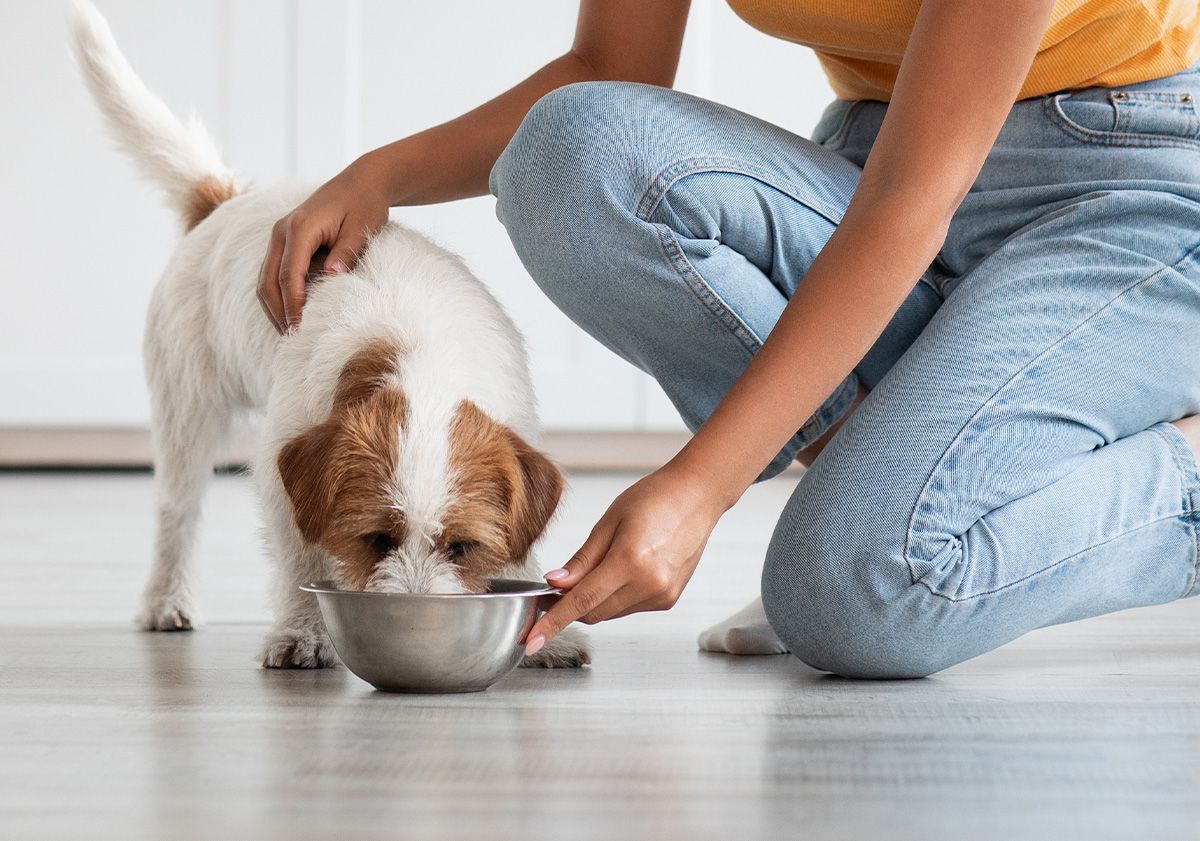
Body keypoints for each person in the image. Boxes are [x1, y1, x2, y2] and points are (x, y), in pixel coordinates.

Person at [258, 0, 1200, 678]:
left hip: (1124, 186)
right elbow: (607, 72)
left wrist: (698, 488)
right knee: (571, 154)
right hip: (872, 157)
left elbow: (914, 203)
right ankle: (882, 491)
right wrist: (380, 172)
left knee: (852, 598)